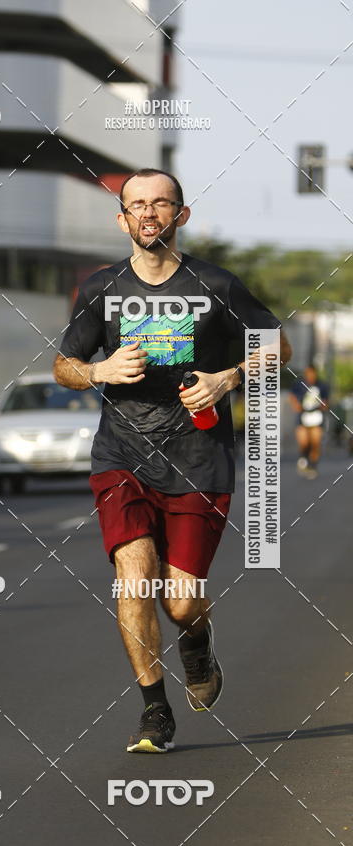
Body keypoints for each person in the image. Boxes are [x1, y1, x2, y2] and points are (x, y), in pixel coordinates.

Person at [53, 168, 292, 753]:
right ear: (123, 220)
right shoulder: (101, 288)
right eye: (137, 204)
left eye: (162, 203)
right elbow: (64, 366)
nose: (149, 212)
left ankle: (197, 640)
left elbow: (278, 346)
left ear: (181, 215)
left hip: (199, 459)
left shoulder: (216, 284)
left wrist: (227, 378)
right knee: (133, 580)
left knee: (180, 600)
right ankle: (155, 710)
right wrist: (98, 370)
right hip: (122, 455)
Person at [289, 365, 329, 479]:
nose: (311, 376)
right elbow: (292, 396)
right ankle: (303, 458)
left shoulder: (322, 385)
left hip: (317, 417)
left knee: (316, 442)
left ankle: (313, 466)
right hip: (302, 416)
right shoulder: (299, 384)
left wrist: (324, 406)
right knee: (304, 442)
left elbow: (326, 401)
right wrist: (296, 405)